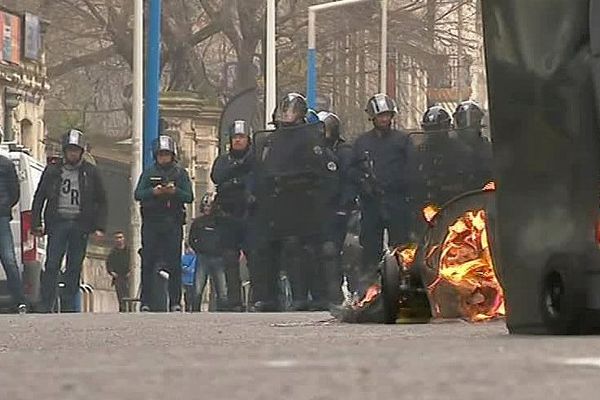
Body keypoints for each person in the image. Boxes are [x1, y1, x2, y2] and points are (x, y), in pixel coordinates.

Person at [251, 92, 335, 311]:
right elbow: (261, 169)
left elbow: (319, 173)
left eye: (292, 110)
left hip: (302, 203)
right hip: (275, 203)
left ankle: (304, 297)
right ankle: (269, 298)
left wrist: (296, 179)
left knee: (299, 249)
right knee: (268, 250)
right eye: (285, 109)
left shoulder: (309, 137)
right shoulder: (271, 139)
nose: (287, 114)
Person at [32, 129, 107, 312]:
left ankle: (68, 304)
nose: (73, 154)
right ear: (64, 151)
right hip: (58, 223)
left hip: (80, 224)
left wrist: (99, 227)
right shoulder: (53, 171)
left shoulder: (90, 172)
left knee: (74, 265)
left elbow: (101, 200)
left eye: (76, 150)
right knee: (52, 264)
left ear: (82, 152)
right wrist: (36, 222)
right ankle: (46, 302)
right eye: (70, 150)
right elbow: (40, 197)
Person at [349, 94, 411, 296]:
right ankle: (370, 288)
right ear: (372, 117)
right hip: (371, 203)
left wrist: (399, 184)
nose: (384, 119)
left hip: (396, 200)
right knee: (370, 247)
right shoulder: (361, 143)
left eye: (387, 115)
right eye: (380, 116)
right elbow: (351, 169)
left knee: (401, 245)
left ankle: (404, 284)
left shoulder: (402, 141)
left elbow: (412, 168)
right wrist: (363, 183)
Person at [134, 135, 194, 312]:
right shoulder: (149, 172)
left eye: (166, 155)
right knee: (148, 262)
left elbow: (189, 196)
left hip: (172, 223)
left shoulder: (180, 173)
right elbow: (138, 194)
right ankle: (146, 302)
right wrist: (154, 192)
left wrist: (174, 191)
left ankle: (175, 301)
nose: (163, 158)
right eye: (161, 155)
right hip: (152, 222)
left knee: (174, 263)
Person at [211, 120, 254, 311]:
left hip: (249, 215)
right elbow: (217, 176)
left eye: (241, 137)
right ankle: (234, 301)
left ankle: (257, 298)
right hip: (228, 216)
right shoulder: (223, 161)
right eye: (235, 137)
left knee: (255, 259)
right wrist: (237, 168)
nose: (238, 141)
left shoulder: (255, 160)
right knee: (229, 259)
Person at [188, 192, 228, 311]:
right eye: (205, 206)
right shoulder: (198, 222)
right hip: (203, 257)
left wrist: (221, 250)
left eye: (209, 206)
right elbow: (191, 239)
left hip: (218, 258)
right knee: (197, 289)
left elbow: (226, 238)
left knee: (222, 290)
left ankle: (223, 312)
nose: (206, 209)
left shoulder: (221, 222)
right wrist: (199, 249)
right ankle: (195, 311)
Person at [0, 151, 27, 313]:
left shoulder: (6, 164)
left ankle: (19, 301)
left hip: (1, 217)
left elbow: (14, 192)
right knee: (9, 259)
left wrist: (4, 207)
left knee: (9, 259)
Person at [452, 100, 493, 189]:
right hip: (456, 198)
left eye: (473, 119)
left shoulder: (488, 149)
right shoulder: (451, 148)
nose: (468, 123)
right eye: (462, 120)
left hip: (482, 196)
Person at [106, 231, 130, 312]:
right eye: (117, 238)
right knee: (121, 296)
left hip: (129, 277)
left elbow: (134, 263)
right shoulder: (113, 252)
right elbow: (109, 265)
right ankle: (123, 310)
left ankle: (130, 310)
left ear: (124, 239)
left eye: (120, 237)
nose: (119, 240)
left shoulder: (129, 251)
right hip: (118, 278)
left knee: (129, 295)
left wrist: (131, 273)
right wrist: (112, 273)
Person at [181, 245, 198, 312]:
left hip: (193, 280)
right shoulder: (183, 258)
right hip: (185, 280)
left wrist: (187, 268)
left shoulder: (196, 258)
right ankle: (187, 307)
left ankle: (193, 307)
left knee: (193, 294)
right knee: (187, 295)